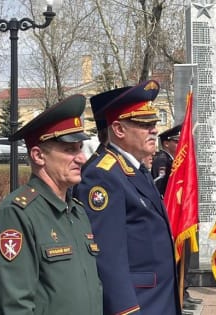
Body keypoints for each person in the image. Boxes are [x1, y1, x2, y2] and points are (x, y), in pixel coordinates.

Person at [0, 95, 102, 315]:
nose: (81, 158)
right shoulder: (17, 213)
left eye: (80, 148)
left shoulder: (77, 212)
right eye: (70, 150)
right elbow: (14, 305)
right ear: (38, 156)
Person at [75, 80, 181, 315]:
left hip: (157, 299)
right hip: (138, 303)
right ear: (119, 130)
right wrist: (126, 310)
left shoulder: (134, 169)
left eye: (153, 123)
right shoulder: (102, 176)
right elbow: (108, 257)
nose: (154, 129)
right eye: (144, 124)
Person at [151, 124, 202, 314]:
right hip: (170, 218)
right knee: (174, 259)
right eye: (175, 141)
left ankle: (183, 292)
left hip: (180, 219)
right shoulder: (161, 160)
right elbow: (160, 191)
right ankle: (177, 294)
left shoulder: (175, 160)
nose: (179, 143)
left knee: (184, 258)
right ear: (166, 143)